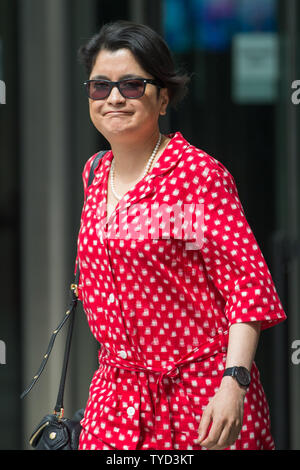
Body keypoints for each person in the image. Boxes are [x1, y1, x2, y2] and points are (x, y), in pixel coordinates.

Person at [75, 20, 286, 451]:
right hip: (114, 402)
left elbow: (245, 287)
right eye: (100, 86)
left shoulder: (197, 177)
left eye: (132, 85)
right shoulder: (95, 173)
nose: (114, 98)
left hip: (202, 400)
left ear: (164, 97)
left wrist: (235, 382)